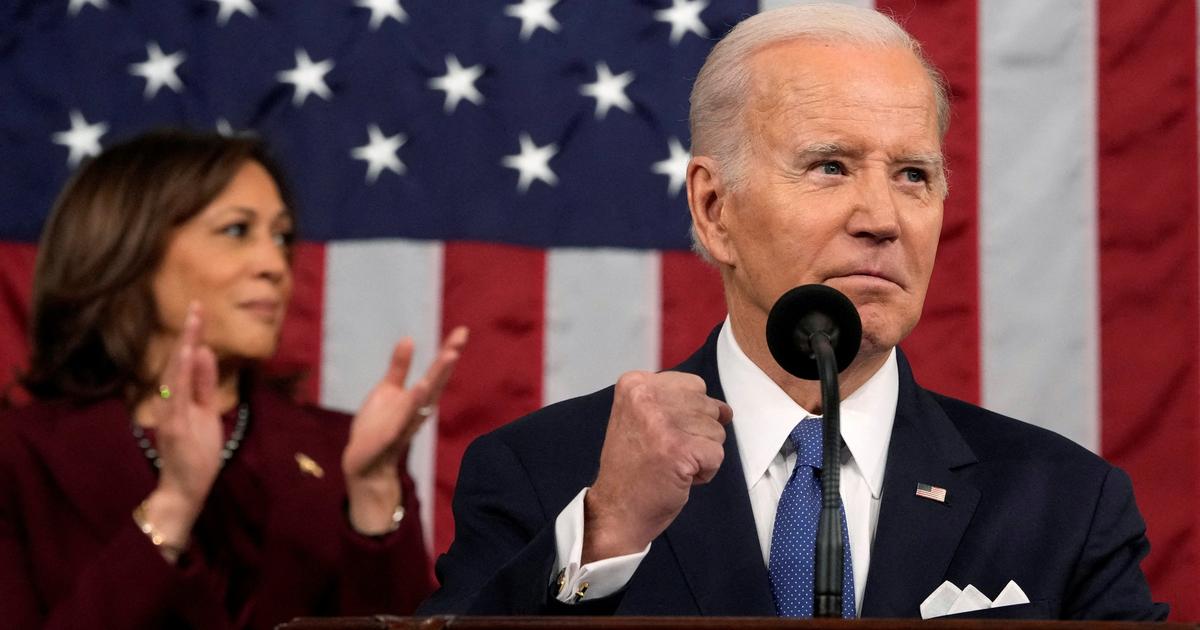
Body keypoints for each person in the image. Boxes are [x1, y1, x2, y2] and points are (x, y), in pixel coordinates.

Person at [419, 3, 1167, 620]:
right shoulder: (544, 474)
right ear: (715, 209)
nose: (882, 217)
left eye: (913, 174)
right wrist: (609, 534)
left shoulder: (1064, 503)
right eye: (830, 166)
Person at [0, 129, 468, 629]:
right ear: (127, 246)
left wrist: (374, 493)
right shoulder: (22, 457)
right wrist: (172, 507)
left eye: (282, 236)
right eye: (237, 231)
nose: (275, 265)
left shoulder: (344, 452)